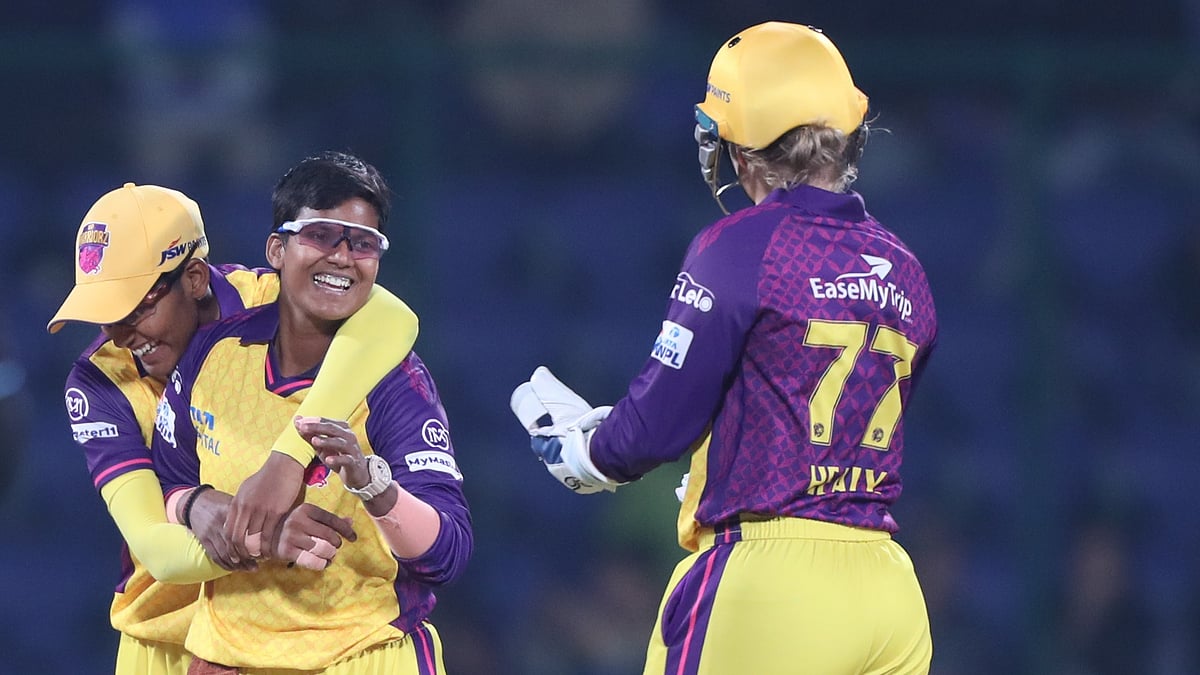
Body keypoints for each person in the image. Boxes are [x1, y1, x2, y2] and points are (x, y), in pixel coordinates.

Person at [511, 22, 937, 674]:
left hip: (770, 581)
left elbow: (653, 427)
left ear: (744, 147)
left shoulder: (739, 245)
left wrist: (587, 452)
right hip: (889, 590)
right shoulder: (906, 266)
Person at [50, 181, 419, 674]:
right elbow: (155, 546)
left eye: (135, 309)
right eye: (104, 317)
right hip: (164, 638)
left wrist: (285, 461)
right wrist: (250, 528)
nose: (118, 336)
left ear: (195, 278)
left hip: (291, 632)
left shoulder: (268, 302)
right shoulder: (99, 378)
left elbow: (392, 317)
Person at [152, 151, 473, 674]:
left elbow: (448, 553)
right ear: (276, 249)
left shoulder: (395, 381)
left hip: (359, 654)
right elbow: (166, 482)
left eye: (363, 243)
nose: (344, 257)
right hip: (226, 656)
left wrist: (375, 487)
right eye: (323, 235)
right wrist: (197, 505)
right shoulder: (212, 354)